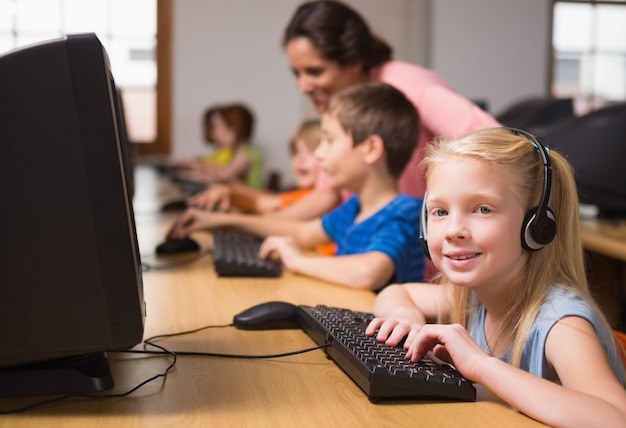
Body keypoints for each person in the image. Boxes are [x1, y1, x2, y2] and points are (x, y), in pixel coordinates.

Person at [364, 127, 626, 427]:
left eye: (483, 209)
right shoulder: (473, 295)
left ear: (537, 226)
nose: (453, 230)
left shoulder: (561, 324)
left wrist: (480, 365)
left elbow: (616, 419)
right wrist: (405, 316)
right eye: (439, 212)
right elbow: (397, 293)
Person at [168, 82, 424, 290]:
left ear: (371, 149)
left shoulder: (404, 211)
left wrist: (297, 260)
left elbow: (368, 273)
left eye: (329, 141)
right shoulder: (354, 208)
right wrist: (220, 222)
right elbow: (301, 232)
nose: (320, 154)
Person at [188, 119, 322, 214]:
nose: (300, 159)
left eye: (311, 152)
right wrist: (230, 192)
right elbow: (266, 200)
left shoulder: (322, 199)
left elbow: (226, 175)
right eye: (295, 153)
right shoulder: (303, 193)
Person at [176, 103, 263, 188]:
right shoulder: (234, 151)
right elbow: (219, 169)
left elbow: (224, 176)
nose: (215, 134)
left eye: (218, 127)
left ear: (234, 130)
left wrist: (194, 174)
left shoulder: (247, 154)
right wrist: (199, 167)